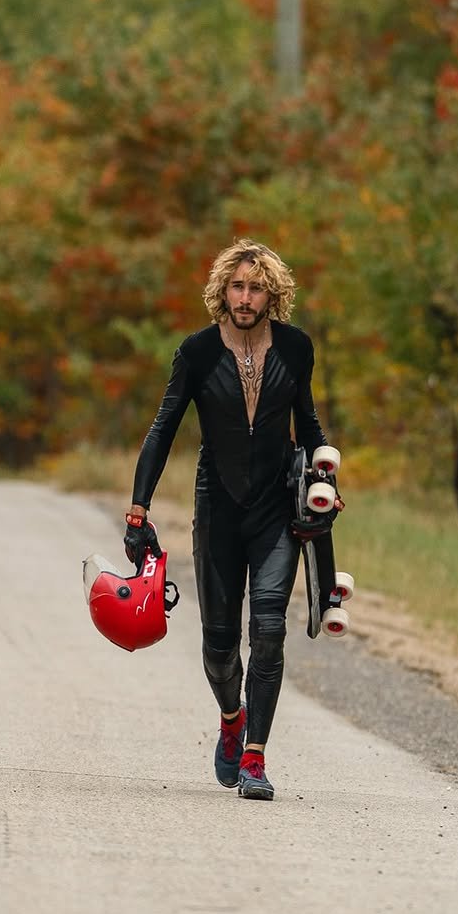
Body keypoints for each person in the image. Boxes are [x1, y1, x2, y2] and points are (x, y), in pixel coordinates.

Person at [124, 240, 338, 801]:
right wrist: (139, 507)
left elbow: (309, 424)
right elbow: (163, 427)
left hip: (274, 512)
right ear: (223, 290)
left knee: (268, 629)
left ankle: (255, 758)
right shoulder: (196, 353)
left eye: (256, 287)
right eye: (237, 286)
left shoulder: (296, 349)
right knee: (220, 648)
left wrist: (324, 479)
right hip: (216, 507)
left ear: (273, 294)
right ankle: (230, 718)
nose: (245, 298)